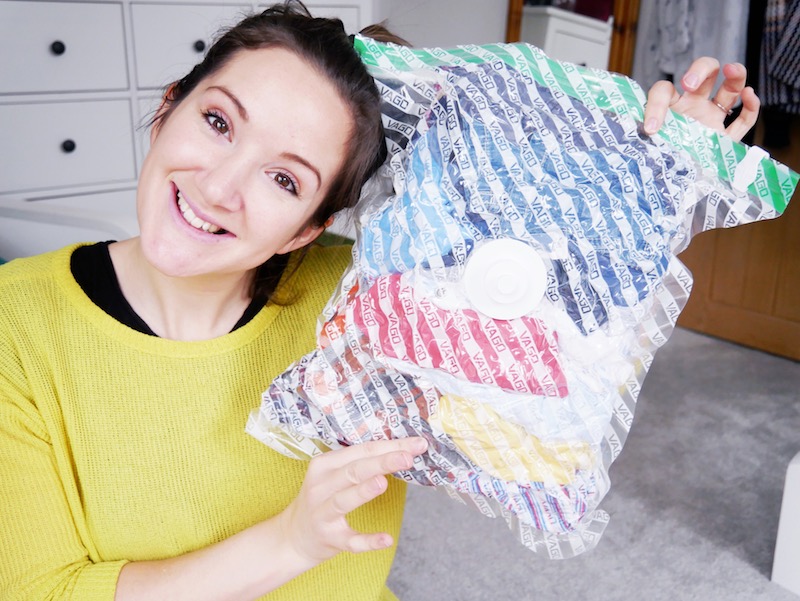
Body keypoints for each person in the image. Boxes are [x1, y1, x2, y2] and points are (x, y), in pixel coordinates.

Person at [0, 1, 760, 599]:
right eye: (219, 121)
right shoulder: (17, 323)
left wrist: (664, 166)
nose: (220, 187)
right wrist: (291, 541)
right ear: (169, 107)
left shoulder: (370, 304)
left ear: (310, 228)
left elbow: (565, 306)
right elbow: (39, 590)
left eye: (285, 179)